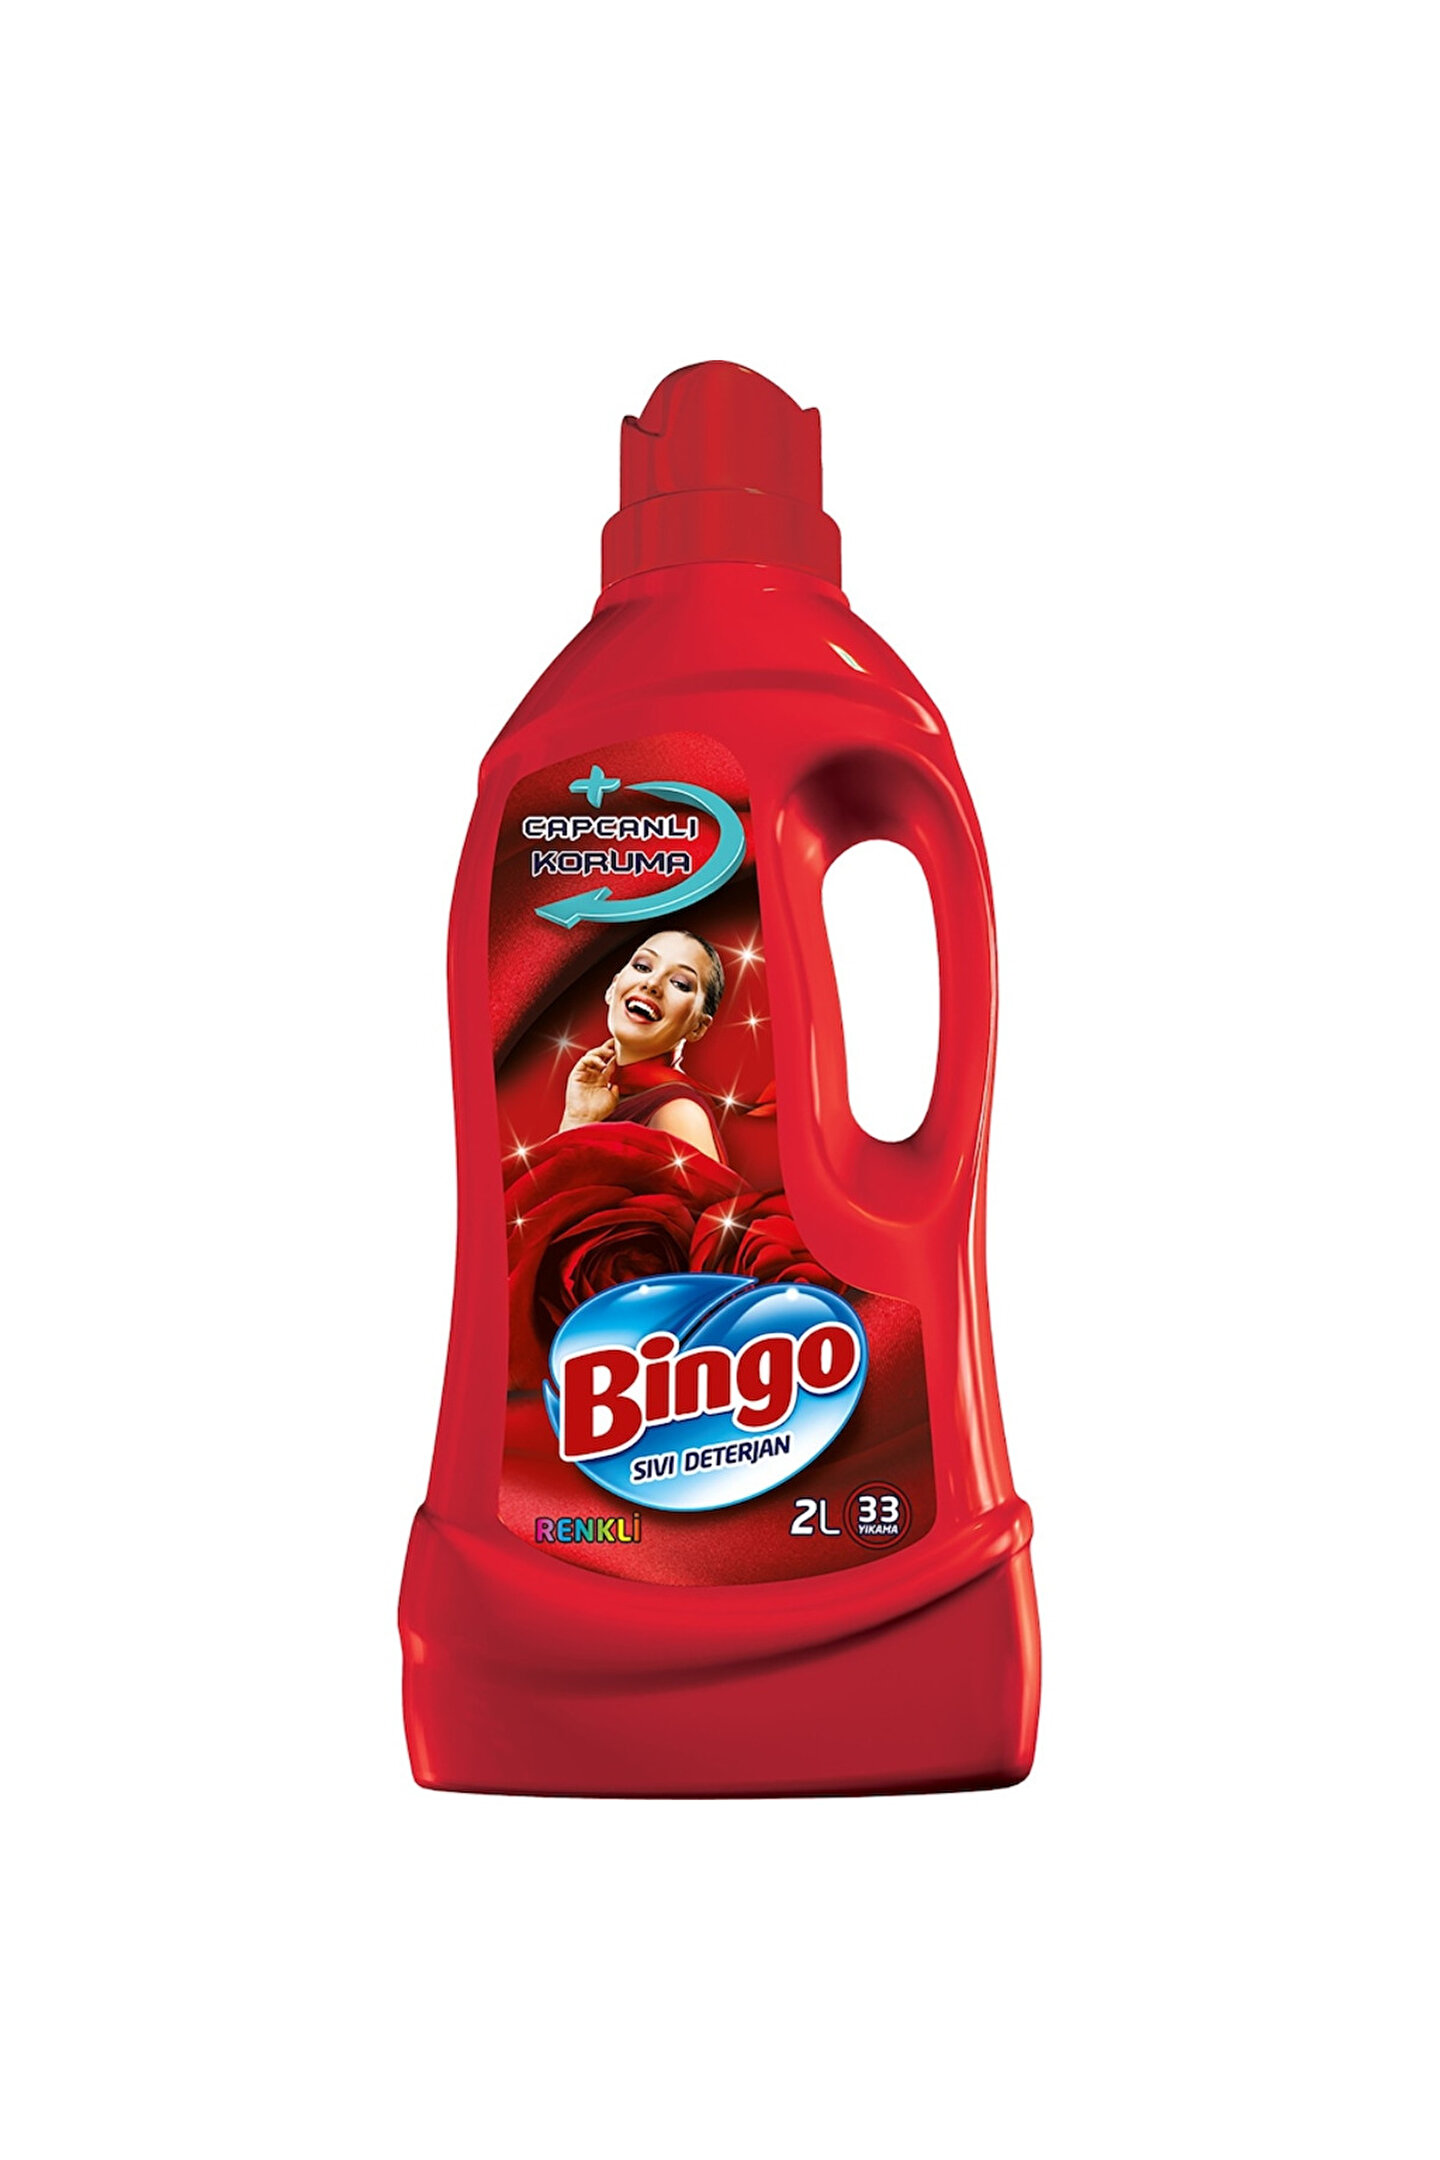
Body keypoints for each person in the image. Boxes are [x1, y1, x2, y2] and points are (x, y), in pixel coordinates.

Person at [559, 927, 728, 1164]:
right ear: (612, 988)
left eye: (680, 983)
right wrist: (577, 1119)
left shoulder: (678, 1111)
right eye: (642, 967)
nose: (652, 983)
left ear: (698, 1027)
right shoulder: (600, 1098)